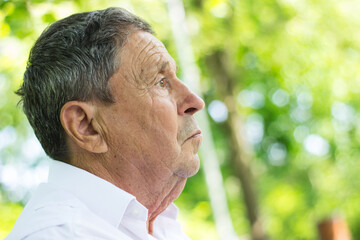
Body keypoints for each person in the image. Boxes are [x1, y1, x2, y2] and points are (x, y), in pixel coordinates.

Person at [6, 7, 204, 240]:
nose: (195, 102)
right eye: (161, 82)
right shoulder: (60, 235)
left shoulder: (158, 226)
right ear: (87, 127)